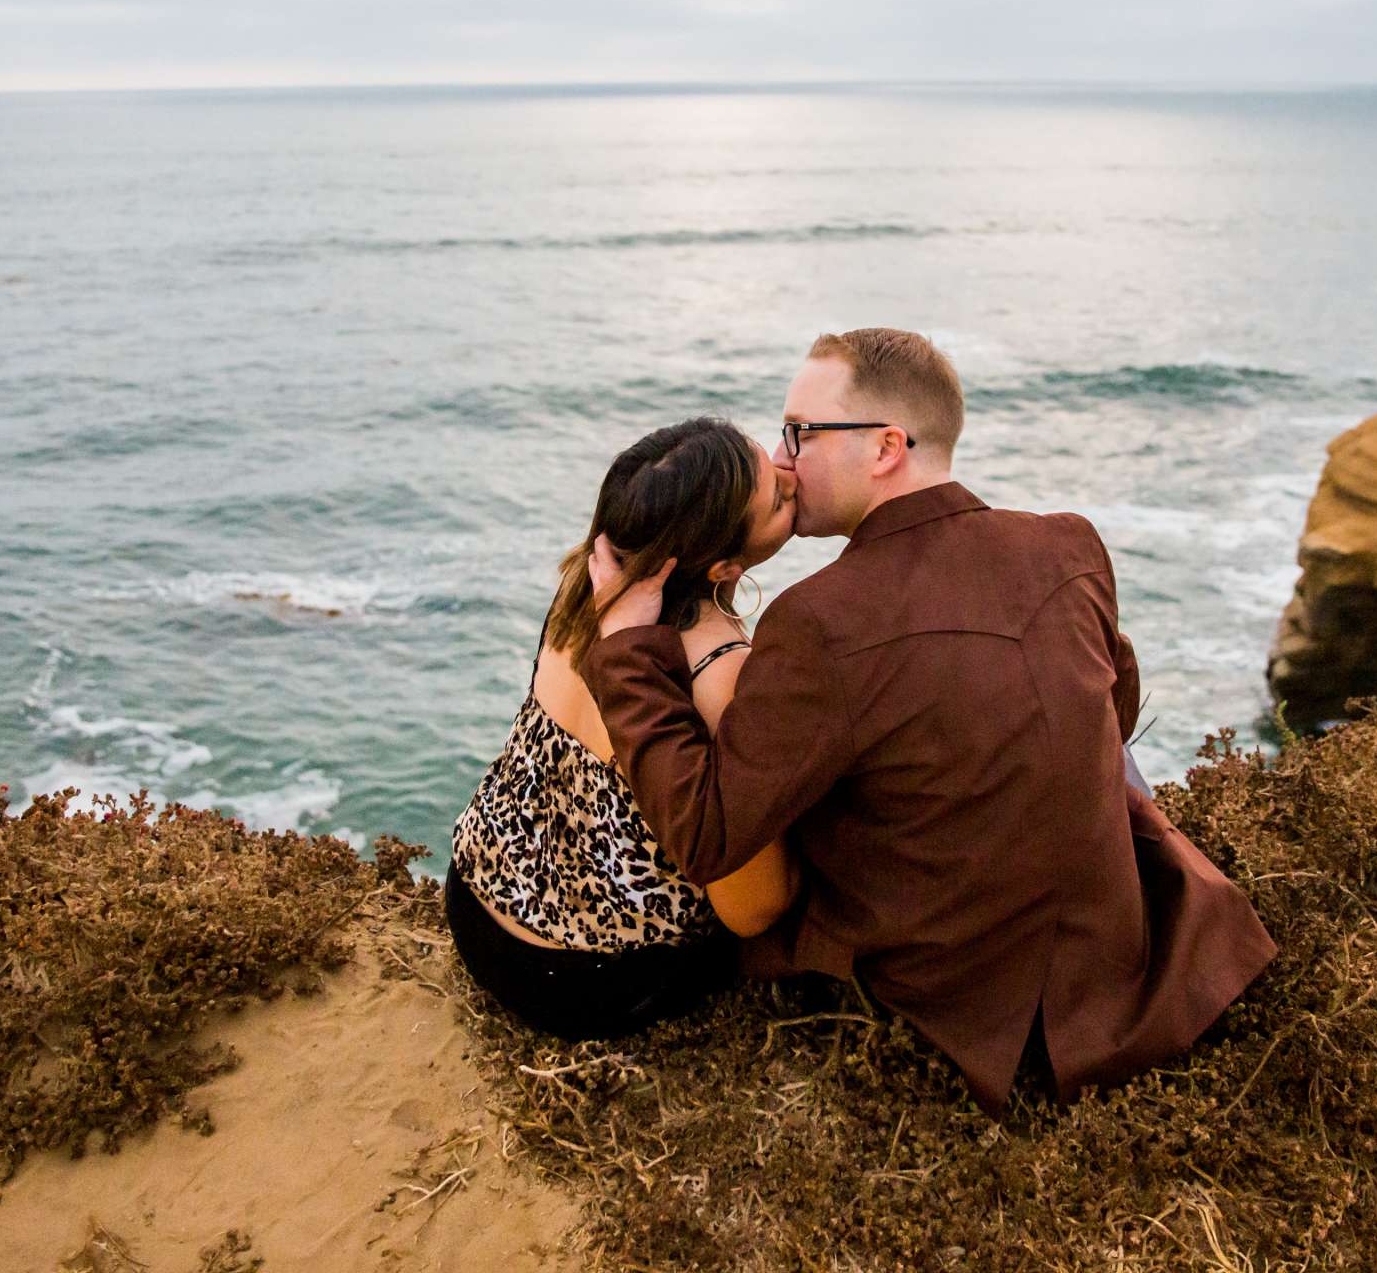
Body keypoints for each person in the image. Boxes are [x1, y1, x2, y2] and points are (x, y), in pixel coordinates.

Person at [584, 328, 1278, 1112]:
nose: (782, 460)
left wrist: (628, 653)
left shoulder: (817, 621)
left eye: (799, 434)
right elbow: (1112, 711)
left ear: (886, 447)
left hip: (979, 1016)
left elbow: (709, 834)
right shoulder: (1067, 545)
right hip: (1125, 955)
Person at [446, 417, 802, 1040]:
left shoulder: (583, 587)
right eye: (777, 495)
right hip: (586, 977)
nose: (793, 478)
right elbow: (752, 908)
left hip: (476, 901)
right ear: (720, 568)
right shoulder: (721, 671)